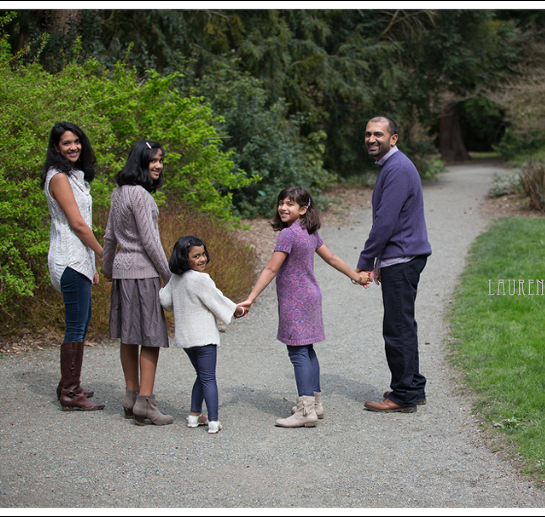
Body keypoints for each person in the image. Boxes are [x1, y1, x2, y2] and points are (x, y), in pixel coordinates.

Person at [237, 186, 369, 428]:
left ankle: (305, 411)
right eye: (281, 203)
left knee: (298, 352)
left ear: (303, 209)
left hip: (295, 300)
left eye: (290, 204)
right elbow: (331, 257)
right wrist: (356, 276)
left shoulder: (287, 234)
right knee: (307, 349)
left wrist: (250, 298)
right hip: (311, 296)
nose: (283, 207)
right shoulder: (309, 231)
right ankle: (315, 404)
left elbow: (271, 269)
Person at [356, 116, 432, 413]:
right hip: (401, 256)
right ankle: (413, 386)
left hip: (403, 257)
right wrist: (379, 260)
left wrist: (366, 261)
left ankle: (403, 396)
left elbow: (385, 221)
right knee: (403, 325)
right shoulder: (391, 165)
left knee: (397, 328)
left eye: (378, 134)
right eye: (368, 134)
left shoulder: (397, 168)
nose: (371, 139)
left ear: (393, 138)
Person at [102, 139, 173, 426]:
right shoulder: (142, 195)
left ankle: (130, 398)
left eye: (160, 160)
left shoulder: (118, 192)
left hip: (122, 272)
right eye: (152, 160)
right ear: (140, 162)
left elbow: (109, 236)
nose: (158, 165)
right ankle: (145, 402)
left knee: (128, 336)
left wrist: (107, 267)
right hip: (143, 273)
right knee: (151, 338)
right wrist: (169, 276)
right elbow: (150, 242)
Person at [41, 122, 106, 411]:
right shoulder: (58, 178)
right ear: (56, 147)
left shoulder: (74, 175)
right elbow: (78, 225)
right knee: (76, 326)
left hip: (79, 260)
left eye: (76, 141)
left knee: (83, 320)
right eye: (66, 143)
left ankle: (68, 384)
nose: (73, 147)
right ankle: (70, 392)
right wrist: (104, 254)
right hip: (68, 259)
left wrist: (91, 264)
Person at [160, 236, 246, 434]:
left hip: (187, 339)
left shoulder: (176, 278)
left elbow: (166, 302)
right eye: (196, 256)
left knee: (201, 375)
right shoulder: (201, 279)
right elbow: (217, 300)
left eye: (203, 254)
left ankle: (194, 415)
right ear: (184, 258)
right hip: (204, 338)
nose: (202, 259)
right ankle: (213, 420)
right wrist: (238, 310)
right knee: (208, 378)